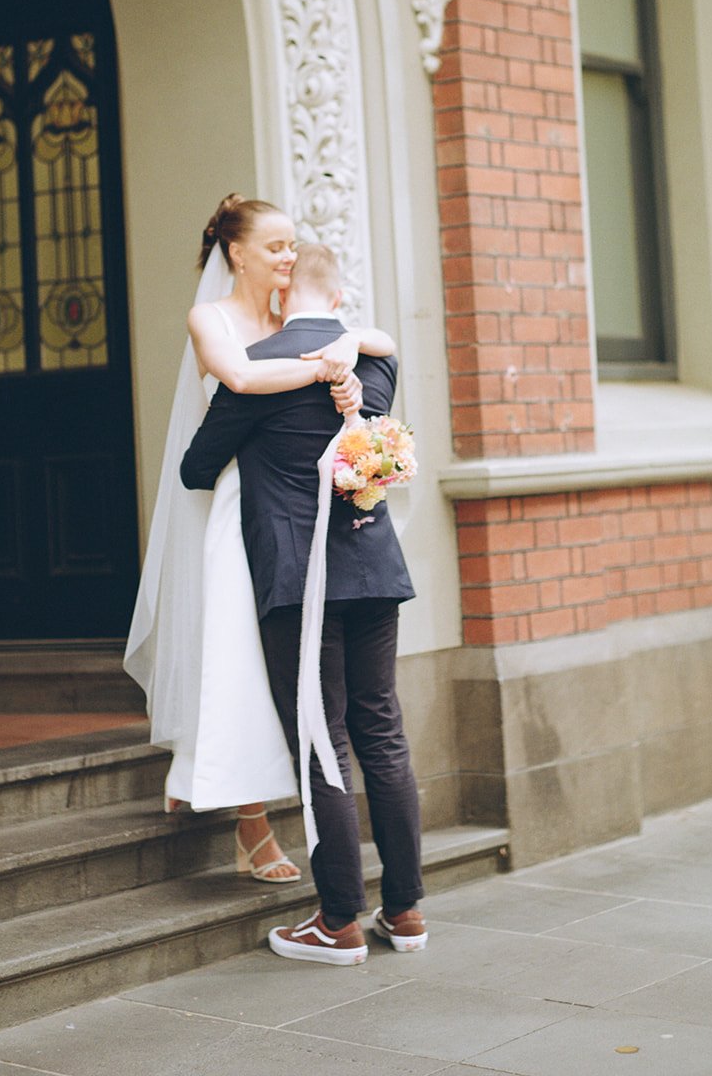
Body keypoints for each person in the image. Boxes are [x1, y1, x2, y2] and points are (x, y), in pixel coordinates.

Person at [123, 195, 393, 884]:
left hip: (299, 517)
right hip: (237, 505)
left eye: (292, 246)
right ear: (236, 252)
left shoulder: (289, 316)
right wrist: (327, 365)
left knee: (292, 677)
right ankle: (250, 820)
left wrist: (344, 341)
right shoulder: (209, 318)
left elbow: (378, 341)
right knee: (238, 655)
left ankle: (276, 816)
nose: (288, 257)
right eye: (275, 246)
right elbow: (241, 378)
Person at [180, 240, 427, 965]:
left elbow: (197, 467)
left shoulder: (260, 371)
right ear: (341, 298)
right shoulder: (372, 363)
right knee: (381, 728)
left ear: (284, 297)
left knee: (324, 739)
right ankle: (406, 911)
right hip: (376, 566)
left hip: (300, 578)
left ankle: (338, 920)